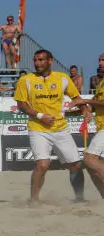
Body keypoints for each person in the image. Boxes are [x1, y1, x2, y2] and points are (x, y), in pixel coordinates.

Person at [14, 49, 92, 203]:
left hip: (60, 128)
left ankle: (79, 198)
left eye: (41, 60)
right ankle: (34, 200)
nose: (37, 63)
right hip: (38, 128)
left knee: (76, 164)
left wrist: (84, 109)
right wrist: (40, 116)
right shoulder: (26, 80)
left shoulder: (62, 78)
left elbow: (76, 97)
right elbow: (21, 104)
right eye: (35, 60)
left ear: (50, 61)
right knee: (42, 165)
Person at [73, 53, 104, 199]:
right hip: (101, 127)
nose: (100, 63)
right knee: (91, 167)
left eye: (103, 60)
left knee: (89, 160)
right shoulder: (101, 83)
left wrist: (85, 102)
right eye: (99, 60)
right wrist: (82, 109)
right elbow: (94, 103)